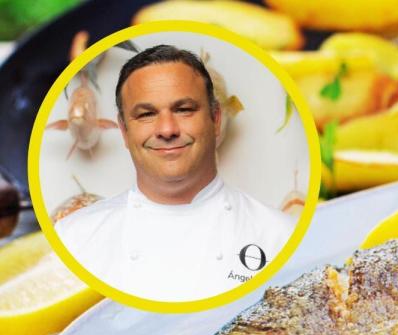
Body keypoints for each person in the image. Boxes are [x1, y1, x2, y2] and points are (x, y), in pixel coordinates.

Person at [55, 44, 295, 302]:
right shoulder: (74, 238)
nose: (167, 129)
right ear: (123, 131)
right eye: (146, 114)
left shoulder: (279, 234)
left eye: (184, 110)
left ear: (216, 120)